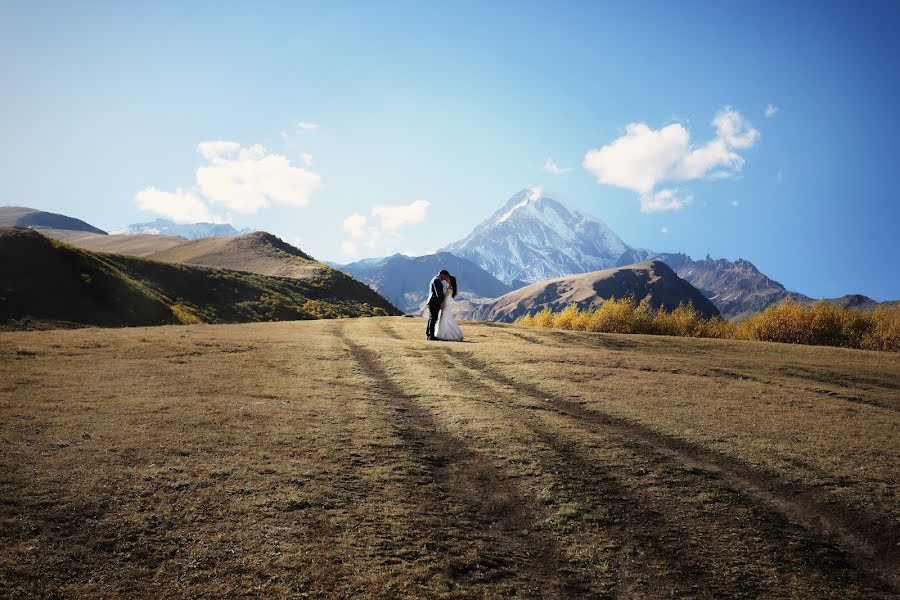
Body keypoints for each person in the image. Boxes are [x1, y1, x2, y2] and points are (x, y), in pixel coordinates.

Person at [435, 274, 464, 341]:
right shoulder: (451, 287)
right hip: (448, 304)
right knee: (446, 317)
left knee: (445, 318)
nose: (446, 279)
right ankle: (446, 333)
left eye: (447, 279)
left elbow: (445, 297)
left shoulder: (449, 287)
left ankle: (445, 334)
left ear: (450, 280)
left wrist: (443, 304)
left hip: (446, 303)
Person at [426, 269, 449, 340]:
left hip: (433, 302)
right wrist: (441, 303)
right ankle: (431, 336)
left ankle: (429, 334)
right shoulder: (436, 280)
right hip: (434, 302)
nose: (445, 279)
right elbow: (438, 293)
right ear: (442, 274)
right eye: (445, 277)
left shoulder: (435, 279)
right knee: (433, 318)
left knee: (432, 318)